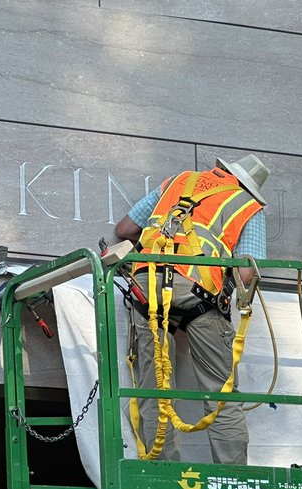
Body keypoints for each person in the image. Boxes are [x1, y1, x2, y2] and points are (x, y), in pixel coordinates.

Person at [112, 154, 269, 465]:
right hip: (198, 292)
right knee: (221, 395)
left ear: (222, 170)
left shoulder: (179, 181)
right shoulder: (248, 205)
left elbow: (126, 227)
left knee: (153, 388)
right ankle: (234, 482)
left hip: (148, 284)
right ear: (249, 186)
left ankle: (165, 477)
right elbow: (247, 274)